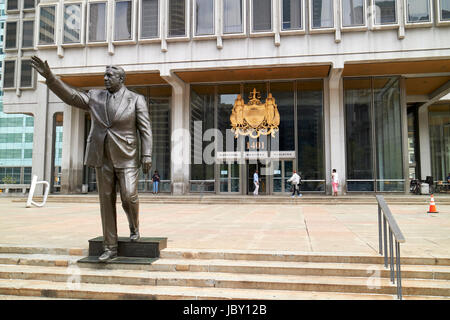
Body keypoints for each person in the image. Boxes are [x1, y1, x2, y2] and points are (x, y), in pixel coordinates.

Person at [31, 56, 152, 262]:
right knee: (106, 201)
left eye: (109, 76)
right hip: (101, 155)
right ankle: (110, 247)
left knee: (129, 196)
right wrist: (51, 78)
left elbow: (145, 128)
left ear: (121, 79)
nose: (105, 78)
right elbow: (71, 97)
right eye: (104, 75)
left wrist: (147, 154)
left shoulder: (136, 99)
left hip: (127, 156)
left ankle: (134, 225)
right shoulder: (95, 96)